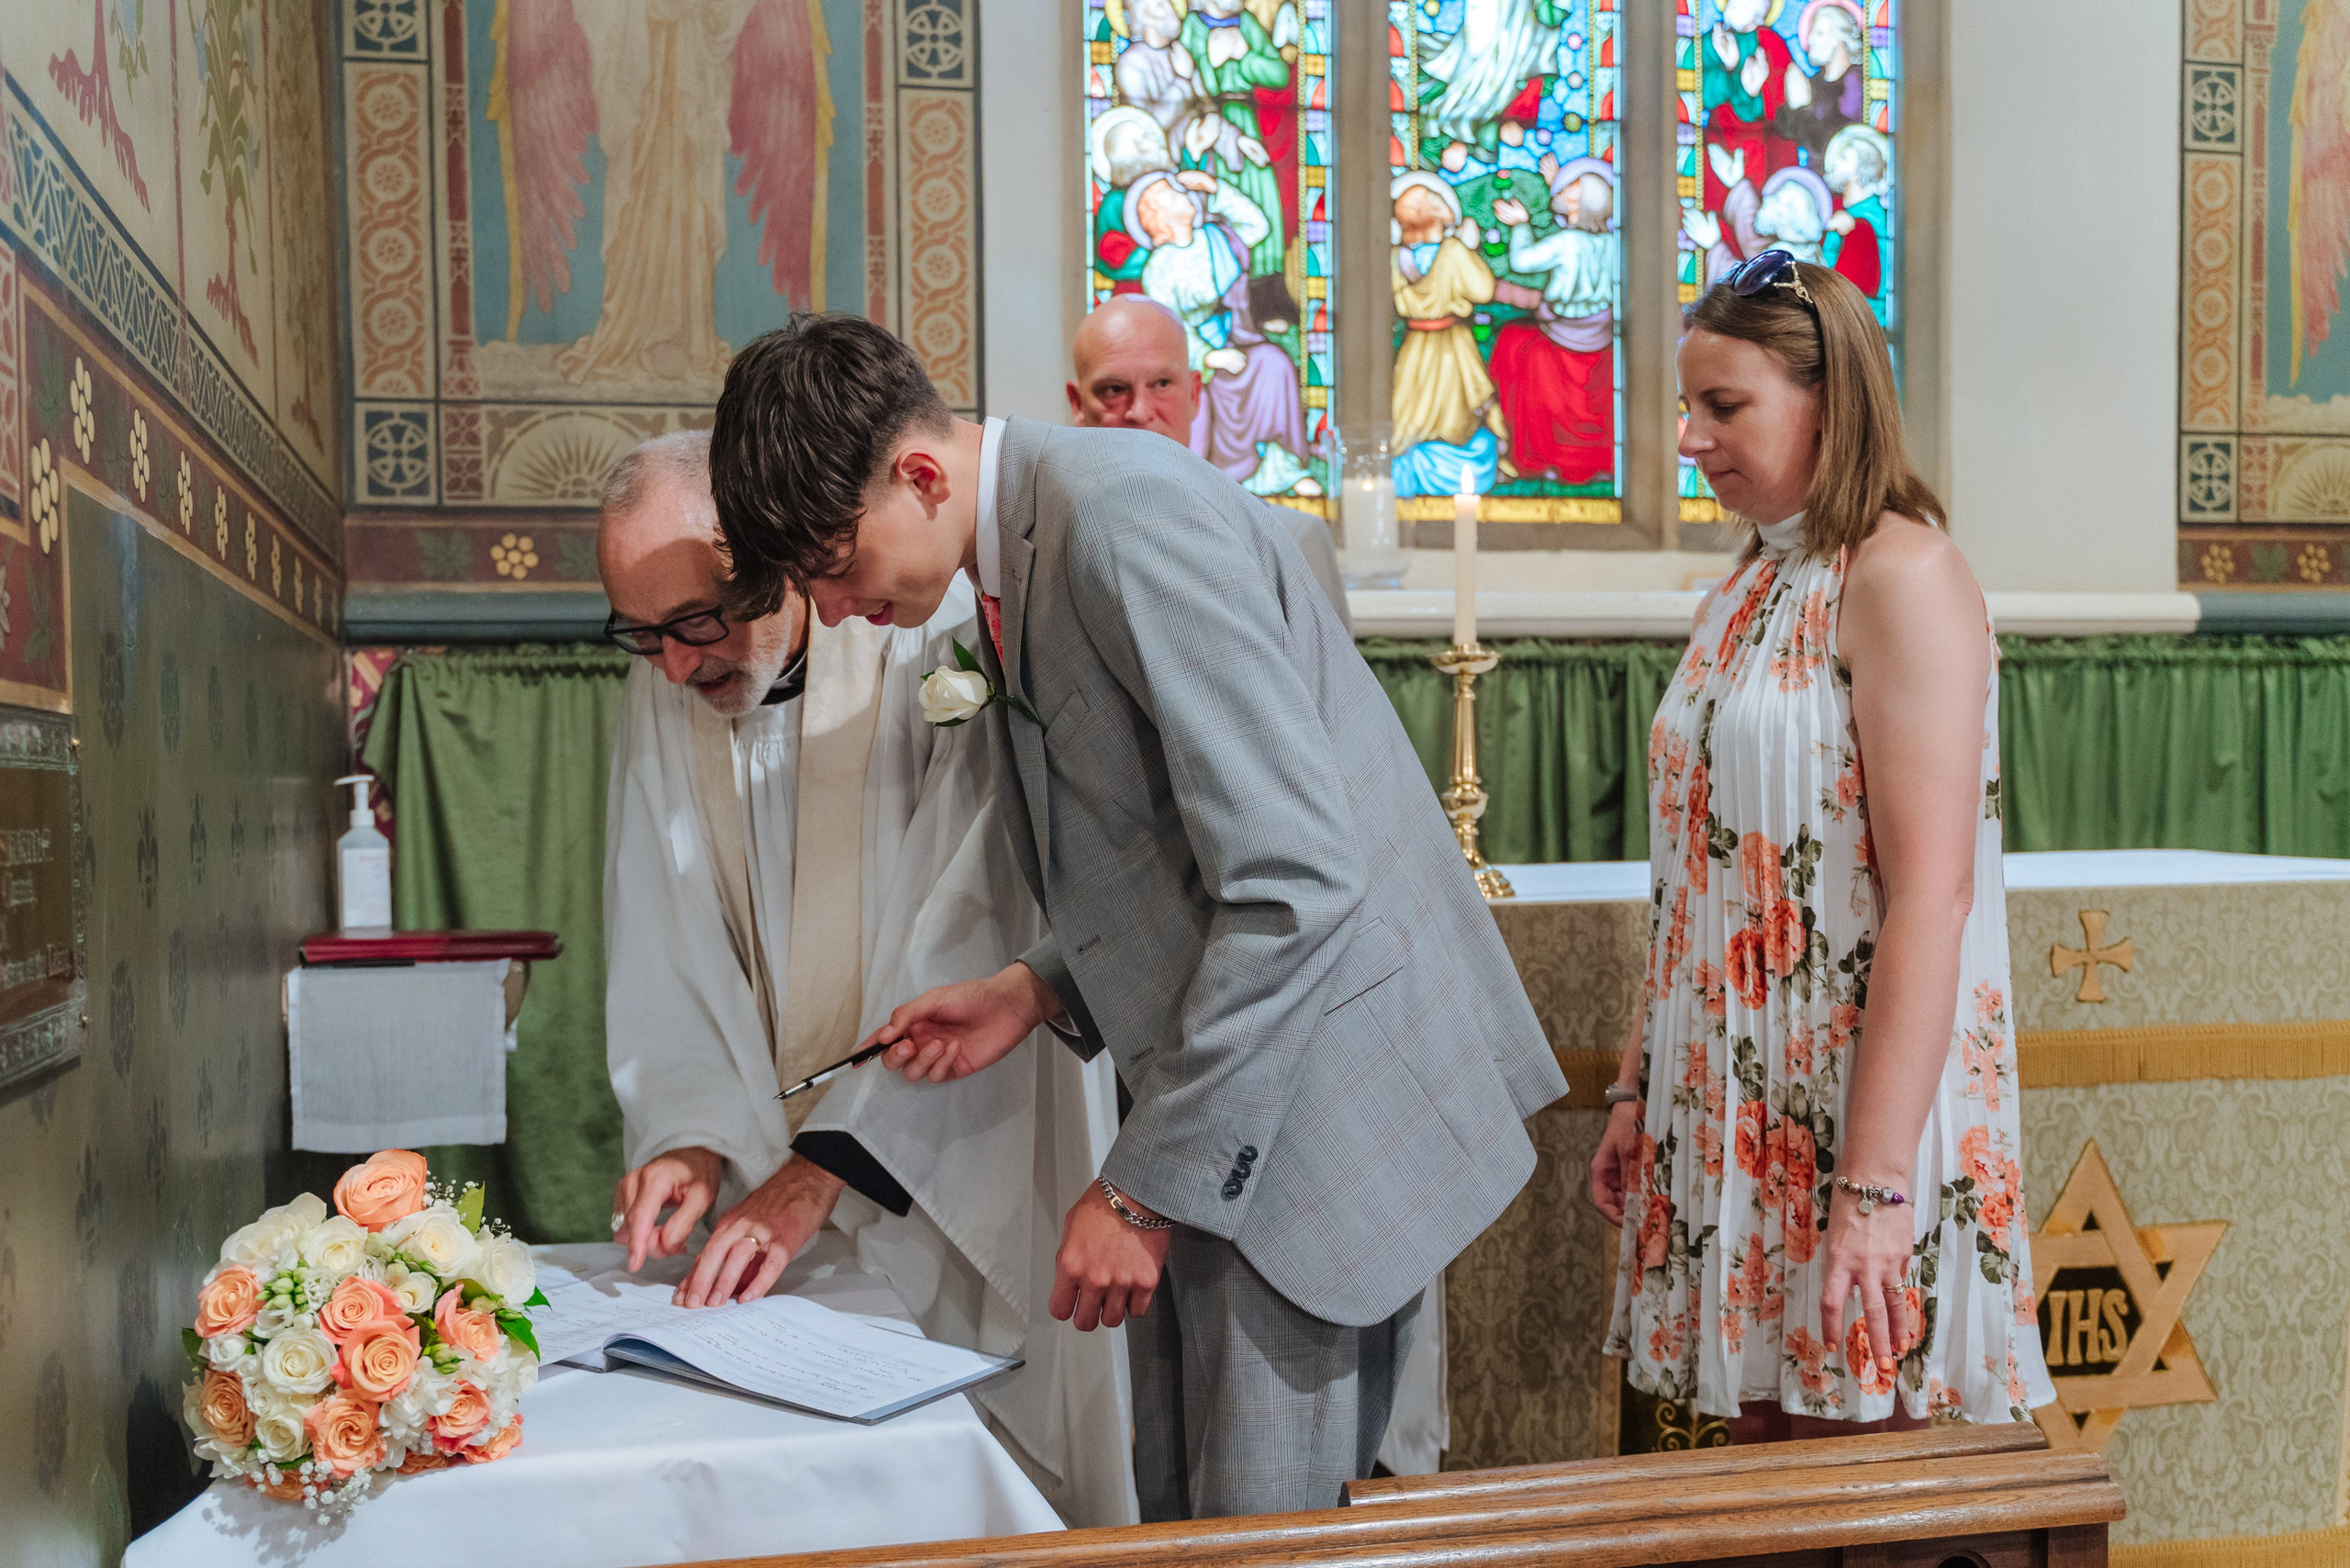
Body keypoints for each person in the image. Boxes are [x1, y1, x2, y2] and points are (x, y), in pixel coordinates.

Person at [704, 314, 1564, 1519]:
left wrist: (1137, 1193)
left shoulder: (1121, 518)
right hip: (1228, 1107)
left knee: (1265, 1540)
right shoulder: (1024, 537)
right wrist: (1035, 986)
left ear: (922, 475)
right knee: (1189, 1516)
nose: (837, 610)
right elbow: (1183, 847)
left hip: (1303, 1121)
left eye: (835, 566)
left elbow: (1296, 879)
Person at [596, 432, 1134, 1526]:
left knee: (978, 1495)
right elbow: (662, 932)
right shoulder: (673, 682)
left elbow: (973, 913)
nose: (674, 666)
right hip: (767, 1198)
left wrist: (825, 1166)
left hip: (941, 1171)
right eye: (640, 635)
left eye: (696, 624)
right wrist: (690, 1134)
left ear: (778, 566)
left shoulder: (920, 639)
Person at [1589, 253, 2056, 1439]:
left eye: (1724, 406)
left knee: (1862, 1484)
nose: (1690, 439)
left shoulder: (1903, 577)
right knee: (1771, 1484)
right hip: (1746, 1113)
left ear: (1831, 402)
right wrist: (1640, 1085)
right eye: (1686, 408)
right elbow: (1690, 876)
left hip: (1861, 1117)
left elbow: (1930, 901)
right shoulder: (1745, 589)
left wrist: (1873, 1189)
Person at [1067, 295, 1350, 630]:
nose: (1139, 411)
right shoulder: (1046, 550)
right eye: (1114, 389)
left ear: (1194, 394)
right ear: (1077, 404)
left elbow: (1331, 682)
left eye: (1161, 384)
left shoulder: (1292, 541)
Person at [1489, 157, 1619, 487]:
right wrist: (1554, 184)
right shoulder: (1610, 244)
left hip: (1560, 335)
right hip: (1599, 336)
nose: (1561, 190)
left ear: (1583, 199)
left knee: (1511, 344)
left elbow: (1522, 260)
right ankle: (1599, 462)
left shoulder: (1567, 242)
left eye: (1570, 187)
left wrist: (1521, 224)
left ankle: (1533, 457)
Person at [1390, 173, 1505, 497]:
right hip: (1452, 347)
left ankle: (1409, 468)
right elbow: (1483, 289)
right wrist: (1471, 248)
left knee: (1412, 409)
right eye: (1438, 202)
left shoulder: (1396, 256)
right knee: (1456, 415)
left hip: (1414, 349)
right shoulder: (1453, 251)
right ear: (1435, 216)